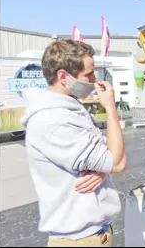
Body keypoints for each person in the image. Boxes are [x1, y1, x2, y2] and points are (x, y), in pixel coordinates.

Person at [21, 39, 126, 247]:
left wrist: (103, 169)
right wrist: (111, 109)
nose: (94, 80)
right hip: (78, 240)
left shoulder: (70, 108)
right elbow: (118, 162)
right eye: (88, 74)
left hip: (92, 234)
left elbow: (109, 156)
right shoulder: (53, 120)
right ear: (63, 76)